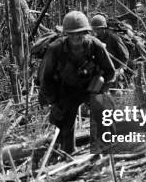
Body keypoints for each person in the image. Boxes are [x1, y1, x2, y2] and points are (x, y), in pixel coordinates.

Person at [39, 11, 115, 155]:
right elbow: (45, 78)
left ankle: (107, 148)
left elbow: (110, 71)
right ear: (66, 33)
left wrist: (101, 90)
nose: (76, 37)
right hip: (66, 90)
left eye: (79, 33)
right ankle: (68, 155)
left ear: (86, 32)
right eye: (72, 34)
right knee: (64, 123)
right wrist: (54, 101)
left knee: (105, 111)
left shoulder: (95, 45)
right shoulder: (55, 49)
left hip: (91, 88)